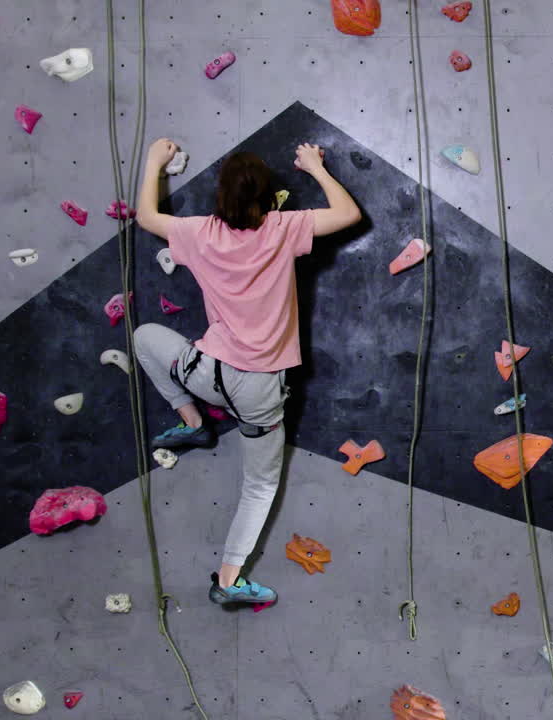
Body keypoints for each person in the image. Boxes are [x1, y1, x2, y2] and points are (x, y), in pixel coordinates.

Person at [132, 138, 362, 605]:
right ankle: (228, 580)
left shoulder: (199, 233)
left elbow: (147, 218)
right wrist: (315, 167)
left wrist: (155, 163)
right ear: (266, 197)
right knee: (258, 486)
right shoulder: (281, 227)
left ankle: (193, 422)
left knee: (143, 338)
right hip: (258, 390)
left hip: (206, 372)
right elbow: (347, 213)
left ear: (221, 198)